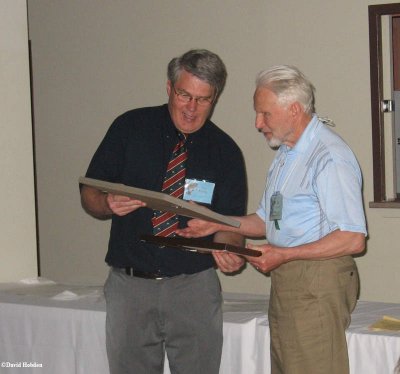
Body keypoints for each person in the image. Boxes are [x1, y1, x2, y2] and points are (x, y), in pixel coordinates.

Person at [176, 65, 367, 374]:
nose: (257, 123)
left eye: (264, 114)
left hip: (316, 280)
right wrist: (217, 223)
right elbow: (267, 221)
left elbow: (353, 238)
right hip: (290, 280)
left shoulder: (328, 157)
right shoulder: (287, 154)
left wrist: (285, 254)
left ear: (293, 110)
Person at [80, 49, 247, 374]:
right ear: (169, 88)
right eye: (185, 95)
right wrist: (106, 203)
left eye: (203, 99)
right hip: (130, 287)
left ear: (215, 99)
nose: (192, 108)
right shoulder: (130, 127)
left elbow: (231, 225)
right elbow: (89, 192)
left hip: (193, 287)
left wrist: (229, 249)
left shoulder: (225, 151)